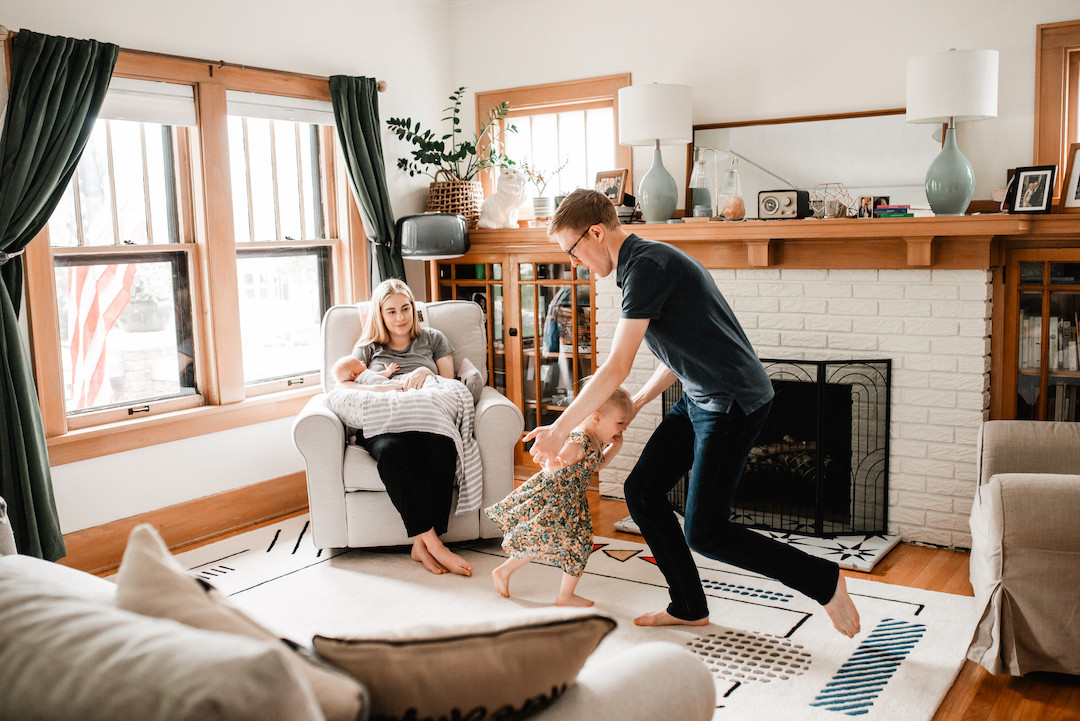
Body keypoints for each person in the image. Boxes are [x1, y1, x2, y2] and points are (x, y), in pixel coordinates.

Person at [523, 189, 861, 637]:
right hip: (702, 394)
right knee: (642, 491)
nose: (573, 262)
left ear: (596, 232)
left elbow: (616, 365)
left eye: (572, 249)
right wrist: (640, 402)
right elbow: (685, 346)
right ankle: (688, 605)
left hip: (732, 401)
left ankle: (824, 580)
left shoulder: (646, 268)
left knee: (706, 532)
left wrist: (560, 427)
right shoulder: (641, 264)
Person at [330, 278, 473, 577]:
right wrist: (386, 390)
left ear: (414, 309)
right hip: (385, 425)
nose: (400, 317)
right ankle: (434, 543)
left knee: (443, 446)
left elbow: (448, 384)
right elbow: (347, 387)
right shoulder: (367, 349)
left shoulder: (434, 339)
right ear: (380, 315)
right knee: (391, 451)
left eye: (406, 308)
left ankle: (420, 547)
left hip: (428, 418)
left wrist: (424, 369)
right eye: (391, 311)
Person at [486, 384, 631, 607]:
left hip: (573, 503)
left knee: (577, 544)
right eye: (620, 422)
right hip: (558, 501)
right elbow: (553, 464)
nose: (624, 427)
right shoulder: (579, 440)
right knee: (543, 540)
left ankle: (561, 594)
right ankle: (507, 573)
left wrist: (615, 447)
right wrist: (553, 462)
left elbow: (596, 466)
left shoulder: (594, 439)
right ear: (597, 418)